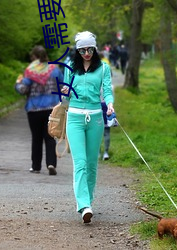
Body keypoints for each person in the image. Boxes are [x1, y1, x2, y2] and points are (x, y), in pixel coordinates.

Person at [61, 31, 114, 223]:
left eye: (90, 49)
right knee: (80, 163)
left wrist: (109, 104)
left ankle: (88, 201)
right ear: (77, 50)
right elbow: (64, 98)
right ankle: (83, 205)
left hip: (96, 119)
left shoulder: (103, 68)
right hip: (74, 118)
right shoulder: (70, 67)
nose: (86, 53)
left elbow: (107, 90)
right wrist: (64, 91)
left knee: (92, 164)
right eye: (82, 50)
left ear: (95, 48)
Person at [15, 45, 63, 175]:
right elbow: (63, 86)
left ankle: (36, 167)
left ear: (34, 57)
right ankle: (51, 163)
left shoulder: (30, 71)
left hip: (34, 109)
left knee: (36, 138)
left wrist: (18, 83)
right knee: (50, 136)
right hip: (51, 109)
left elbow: (23, 90)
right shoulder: (55, 69)